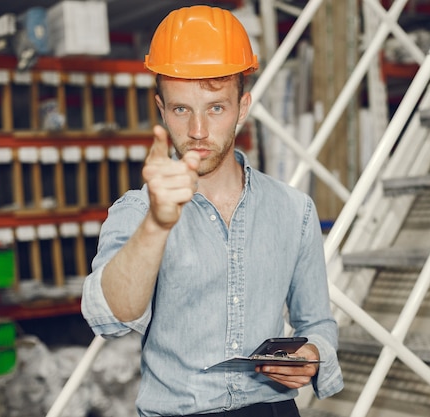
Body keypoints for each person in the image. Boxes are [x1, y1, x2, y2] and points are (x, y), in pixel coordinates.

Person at [81, 5, 343, 417]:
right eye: (181, 109)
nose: (198, 131)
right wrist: (157, 223)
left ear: (243, 107)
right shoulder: (137, 211)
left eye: (216, 108)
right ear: (162, 110)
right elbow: (111, 320)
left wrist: (314, 354)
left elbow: (317, 323)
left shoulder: (296, 211)